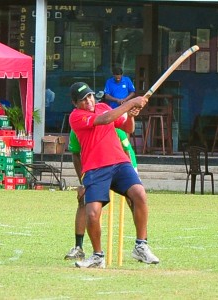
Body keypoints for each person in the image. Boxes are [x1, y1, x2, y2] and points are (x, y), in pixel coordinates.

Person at [69, 82, 159, 268]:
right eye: (83, 100)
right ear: (75, 103)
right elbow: (106, 119)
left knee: (140, 194)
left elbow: (128, 128)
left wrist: (131, 115)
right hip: (95, 168)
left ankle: (141, 245)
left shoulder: (103, 106)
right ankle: (97, 256)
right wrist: (131, 102)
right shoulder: (76, 116)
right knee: (93, 213)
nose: (88, 101)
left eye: (90, 96)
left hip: (119, 162)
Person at [64, 127, 138, 260]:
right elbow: (76, 155)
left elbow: (127, 152)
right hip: (96, 168)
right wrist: (83, 181)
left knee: (133, 199)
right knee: (84, 200)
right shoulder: (77, 129)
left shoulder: (114, 130)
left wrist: (132, 176)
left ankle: (141, 245)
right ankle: (78, 247)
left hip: (121, 165)